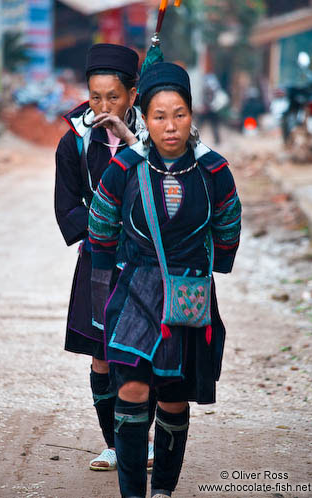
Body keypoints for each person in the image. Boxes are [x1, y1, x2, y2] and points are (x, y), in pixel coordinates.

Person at [88, 62, 242, 498]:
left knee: (174, 397)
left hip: (187, 296)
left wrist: (215, 265)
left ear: (192, 115)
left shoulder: (213, 170)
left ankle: (164, 490)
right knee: (132, 388)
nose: (170, 126)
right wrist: (109, 266)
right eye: (159, 116)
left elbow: (229, 223)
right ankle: (134, 492)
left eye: (179, 114)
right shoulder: (125, 168)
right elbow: (102, 222)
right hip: (136, 291)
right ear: (146, 119)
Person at [54, 43, 155, 471]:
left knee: (143, 352)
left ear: (133, 94)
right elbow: (67, 206)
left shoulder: (158, 133)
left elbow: (169, 188)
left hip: (147, 260)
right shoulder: (75, 141)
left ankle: (143, 441)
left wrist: (133, 143)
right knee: (101, 354)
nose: (102, 106)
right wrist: (99, 229)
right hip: (99, 257)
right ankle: (114, 444)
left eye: (113, 97)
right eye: (95, 97)